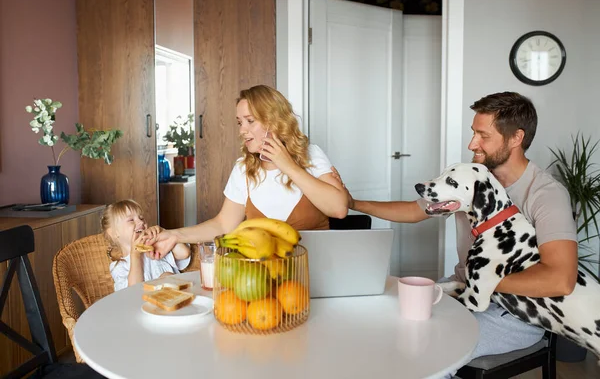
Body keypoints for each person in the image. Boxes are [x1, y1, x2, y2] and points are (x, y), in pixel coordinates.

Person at [339, 92, 578, 363]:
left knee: (425, 348)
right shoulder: (470, 181)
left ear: (516, 138)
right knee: (390, 326)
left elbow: (561, 279)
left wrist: (484, 283)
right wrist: (352, 202)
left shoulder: (546, 194)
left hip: (517, 313)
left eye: (483, 135)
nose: (471, 143)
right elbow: (413, 210)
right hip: (465, 290)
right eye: (473, 133)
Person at [144, 84, 347, 258]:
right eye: (240, 122)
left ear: (274, 122)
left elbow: (339, 209)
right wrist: (175, 235)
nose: (242, 130)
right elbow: (224, 225)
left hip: (317, 276)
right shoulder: (243, 168)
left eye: (250, 121)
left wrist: (288, 166)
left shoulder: (310, 154)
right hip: (262, 282)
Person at [103, 199, 191, 291]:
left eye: (141, 218)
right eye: (131, 220)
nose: (141, 222)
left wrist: (164, 233)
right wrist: (135, 255)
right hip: (142, 304)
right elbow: (132, 291)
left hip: (175, 300)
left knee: (166, 276)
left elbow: (184, 253)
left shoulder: (156, 248)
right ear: (114, 233)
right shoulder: (119, 267)